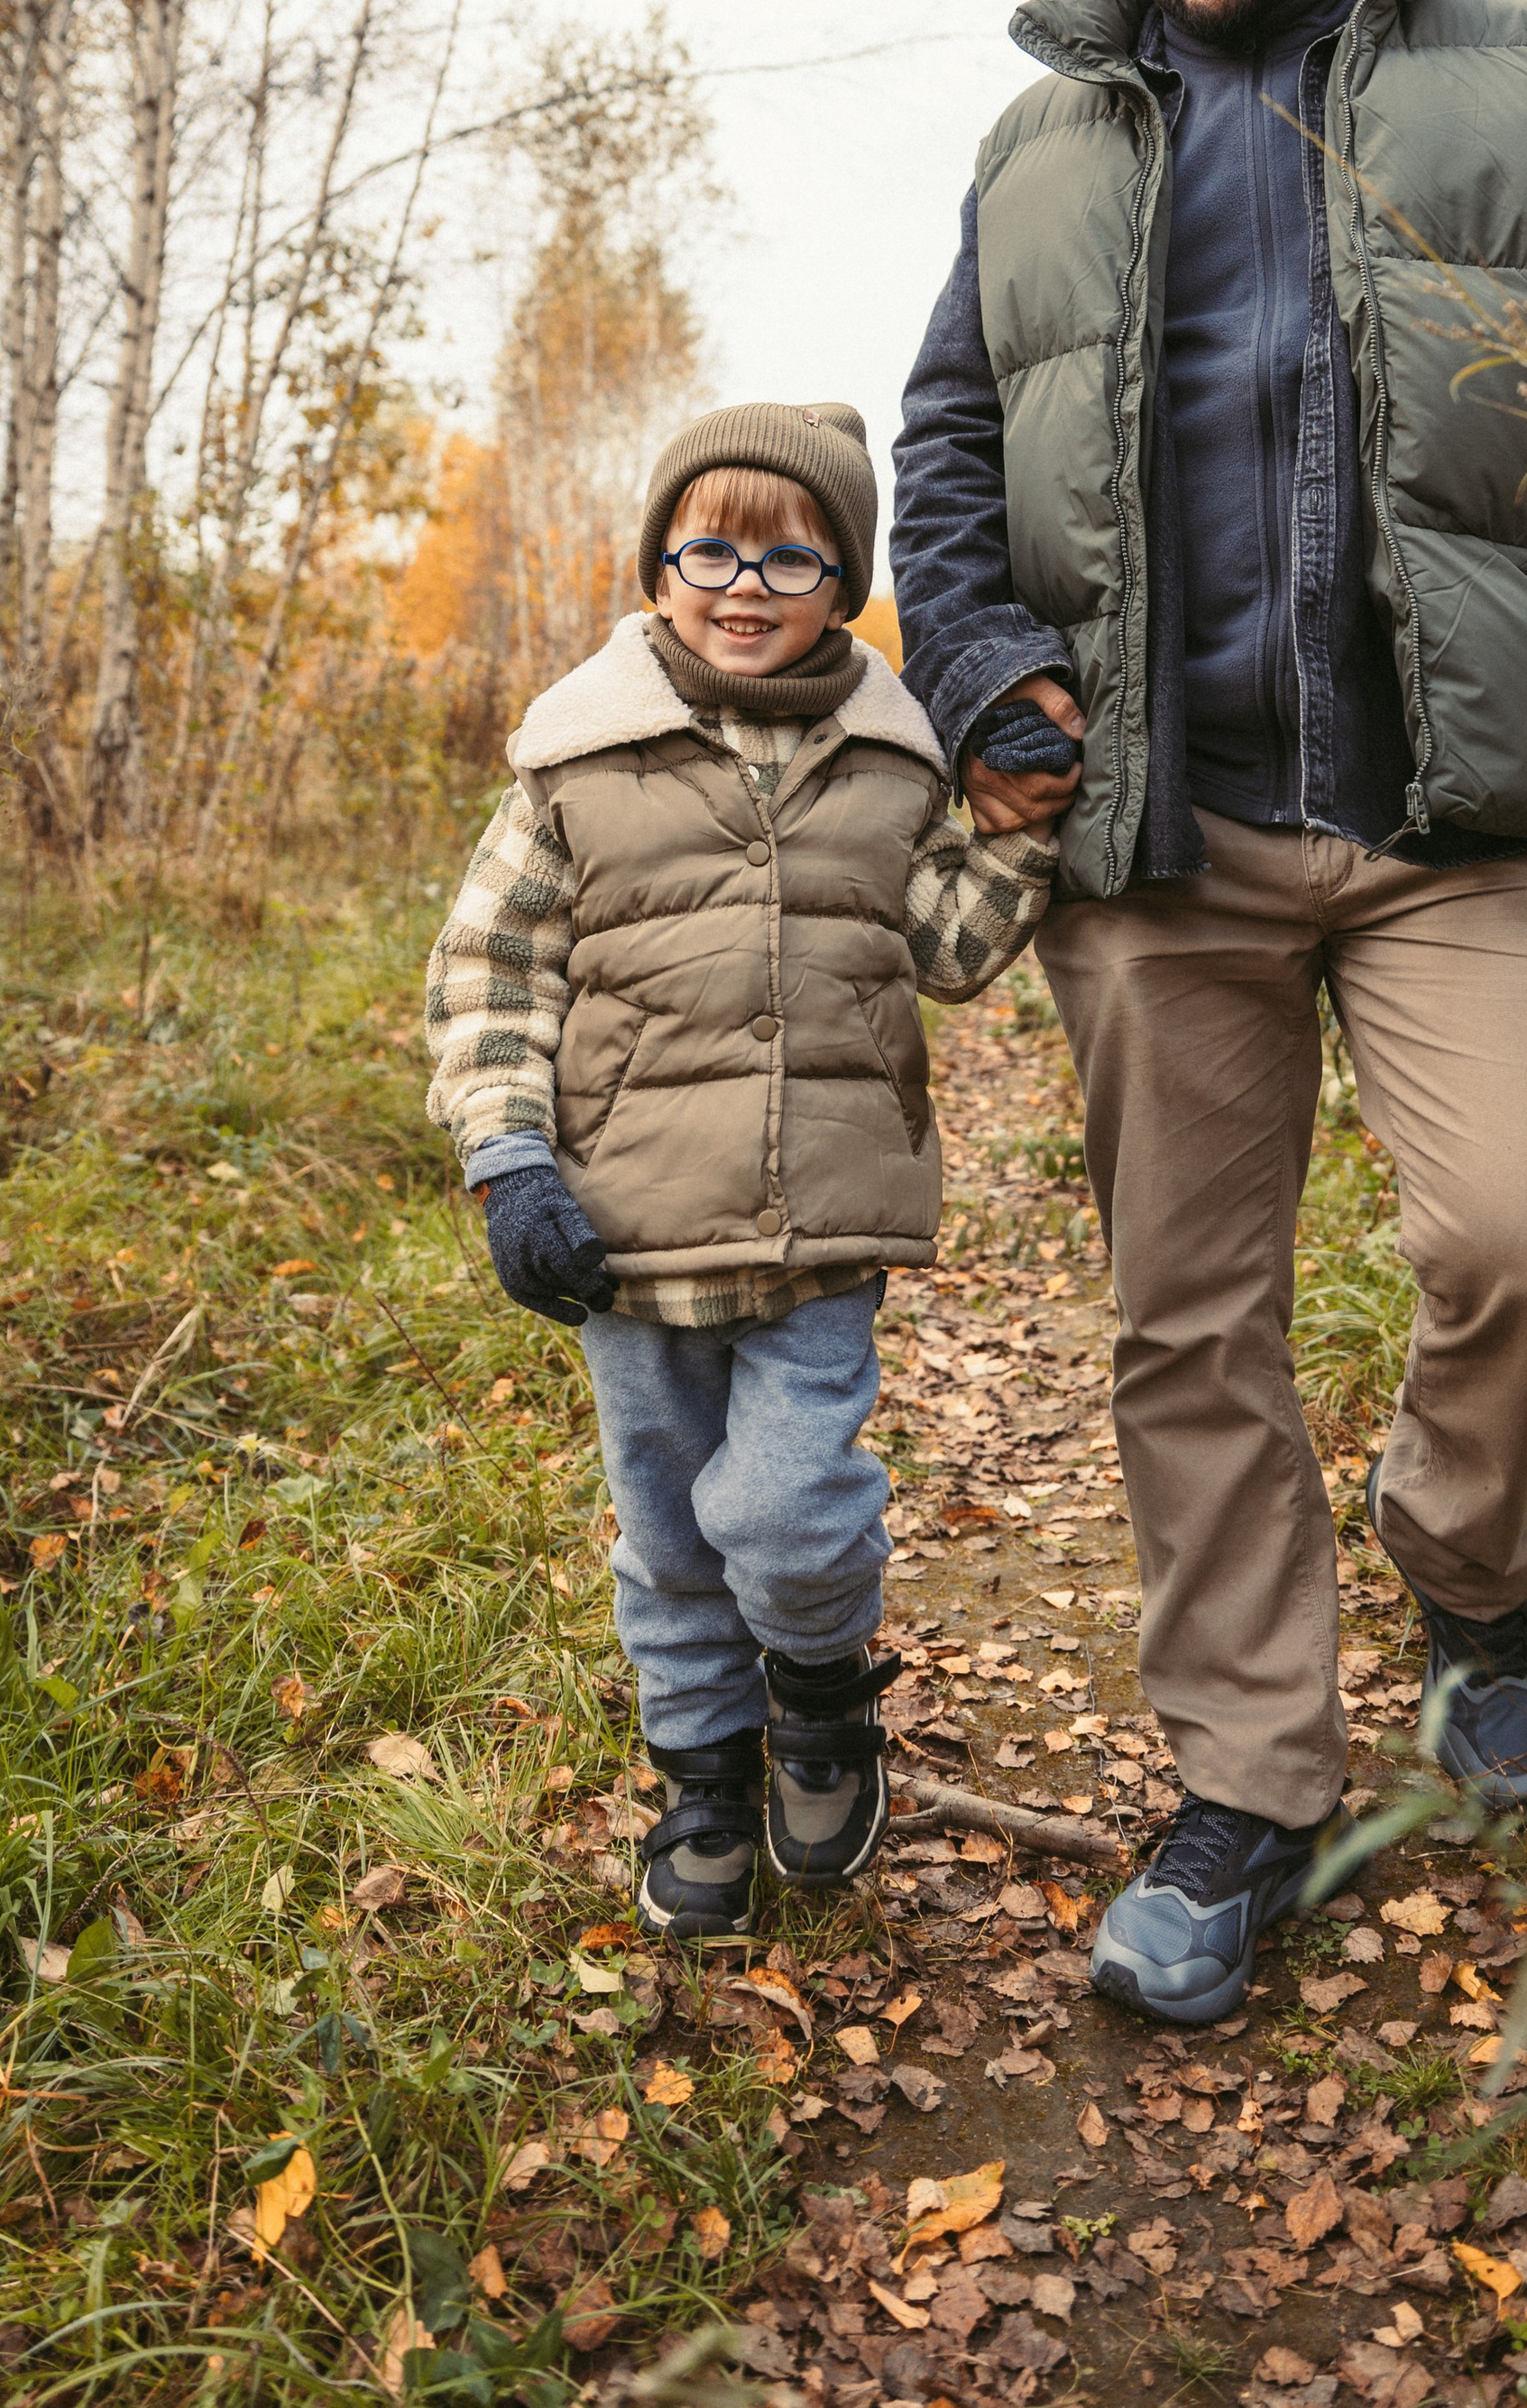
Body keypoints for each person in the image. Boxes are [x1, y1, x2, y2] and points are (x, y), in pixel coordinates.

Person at [890, 0, 1527, 2026]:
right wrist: (984, 674)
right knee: (1188, 1327)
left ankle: (1465, 1562)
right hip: (1160, 836)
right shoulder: (1042, 139)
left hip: (1460, 814)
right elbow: (945, 447)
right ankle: (1247, 1785)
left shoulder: (1520, 74)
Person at [422, 400, 1058, 1944]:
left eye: (792, 559)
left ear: (846, 585)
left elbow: (946, 949)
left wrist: (1020, 837)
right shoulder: (577, 763)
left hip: (820, 1231)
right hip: (625, 1231)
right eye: (709, 551)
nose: (746, 586)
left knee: (789, 1512)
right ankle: (704, 1778)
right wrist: (510, 1159)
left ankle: (825, 1698)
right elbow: (490, 973)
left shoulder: (892, 760)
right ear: (658, 571)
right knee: (668, 1531)